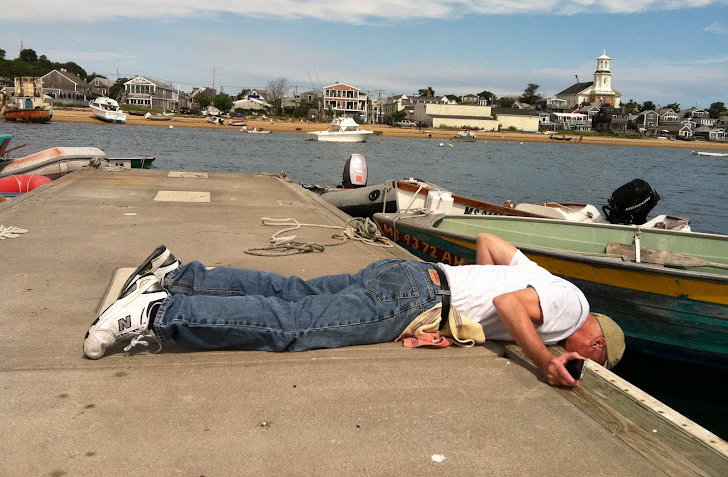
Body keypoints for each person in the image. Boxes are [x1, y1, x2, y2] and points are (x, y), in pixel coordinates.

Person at [84, 233, 625, 387]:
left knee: (288, 292)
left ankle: (178, 275)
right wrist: (542, 363)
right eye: (584, 361)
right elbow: (510, 306)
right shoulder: (570, 306)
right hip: (415, 298)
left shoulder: (551, 280)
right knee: (293, 326)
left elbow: (490, 246)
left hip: (412, 277)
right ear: (595, 344)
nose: (571, 357)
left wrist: (464, 301)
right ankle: (157, 313)